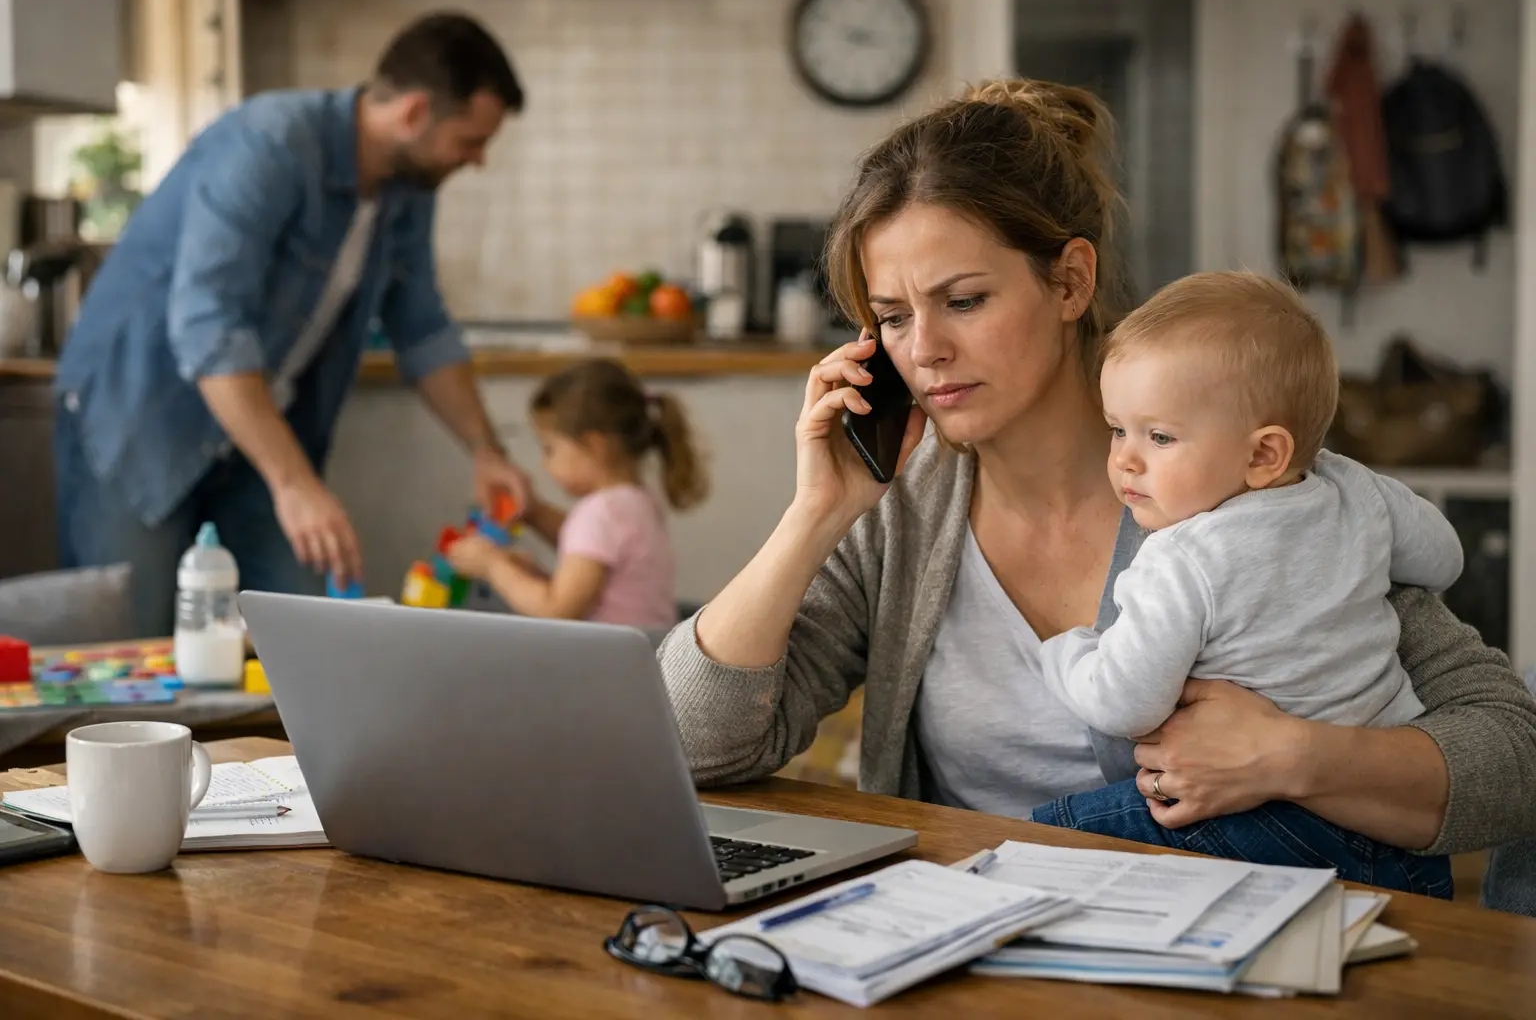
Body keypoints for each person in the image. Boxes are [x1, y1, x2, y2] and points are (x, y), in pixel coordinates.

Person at [656, 78, 1536, 879]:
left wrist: (1292, 757)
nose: (922, 350)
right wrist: (816, 511)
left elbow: (1512, 756)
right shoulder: (900, 515)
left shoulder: (1250, 492)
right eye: (891, 317)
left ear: (1070, 280)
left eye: (964, 301)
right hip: (972, 946)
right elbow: (693, 746)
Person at [53, 12, 531, 637]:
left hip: (260, 436)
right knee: (132, 650)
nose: (478, 160)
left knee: (305, 636)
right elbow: (209, 326)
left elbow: (422, 328)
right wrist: (294, 483)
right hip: (139, 422)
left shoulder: (408, 189)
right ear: (414, 113)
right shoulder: (269, 144)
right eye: (470, 141)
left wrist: (486, 451)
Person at [1025, 271, 1462, 895]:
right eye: (1118, 428)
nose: (1124, 458)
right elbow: (1443, 559)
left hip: (1261, 824)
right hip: (1395, 833)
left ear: (1263, 455)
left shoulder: (1180, 556)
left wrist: (1065, 654)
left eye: (1160, 436)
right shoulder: (1355, 491)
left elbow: (1126, 705)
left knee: (1040, 843)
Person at [447, 359, 706, 627]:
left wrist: (494, 566)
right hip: (649, 651)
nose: (545, 464)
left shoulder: (600, 514)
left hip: (609, 662)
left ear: (595, 446)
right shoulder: (635, 502)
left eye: (550, 449)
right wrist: (534, 513)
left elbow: (556, 609)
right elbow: (589, 548)